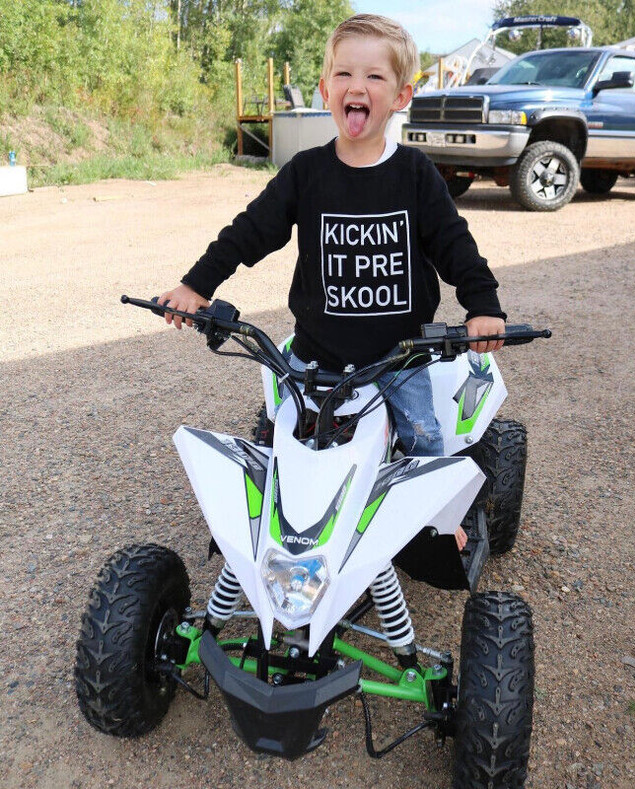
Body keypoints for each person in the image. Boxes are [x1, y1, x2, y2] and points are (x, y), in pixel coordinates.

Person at [159, 14, 506, 550]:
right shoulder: (306, 173)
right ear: (326, 90)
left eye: (374, 77)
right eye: (343, 74)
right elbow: (249, 232)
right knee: (284, 442)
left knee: (424, 443)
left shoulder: (415, 174)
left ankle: (438, 522)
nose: (357, 86)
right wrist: (196, 285)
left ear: (401, 96)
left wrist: (483, 306)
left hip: (398, 354)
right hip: (313, 355)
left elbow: (455, 245)